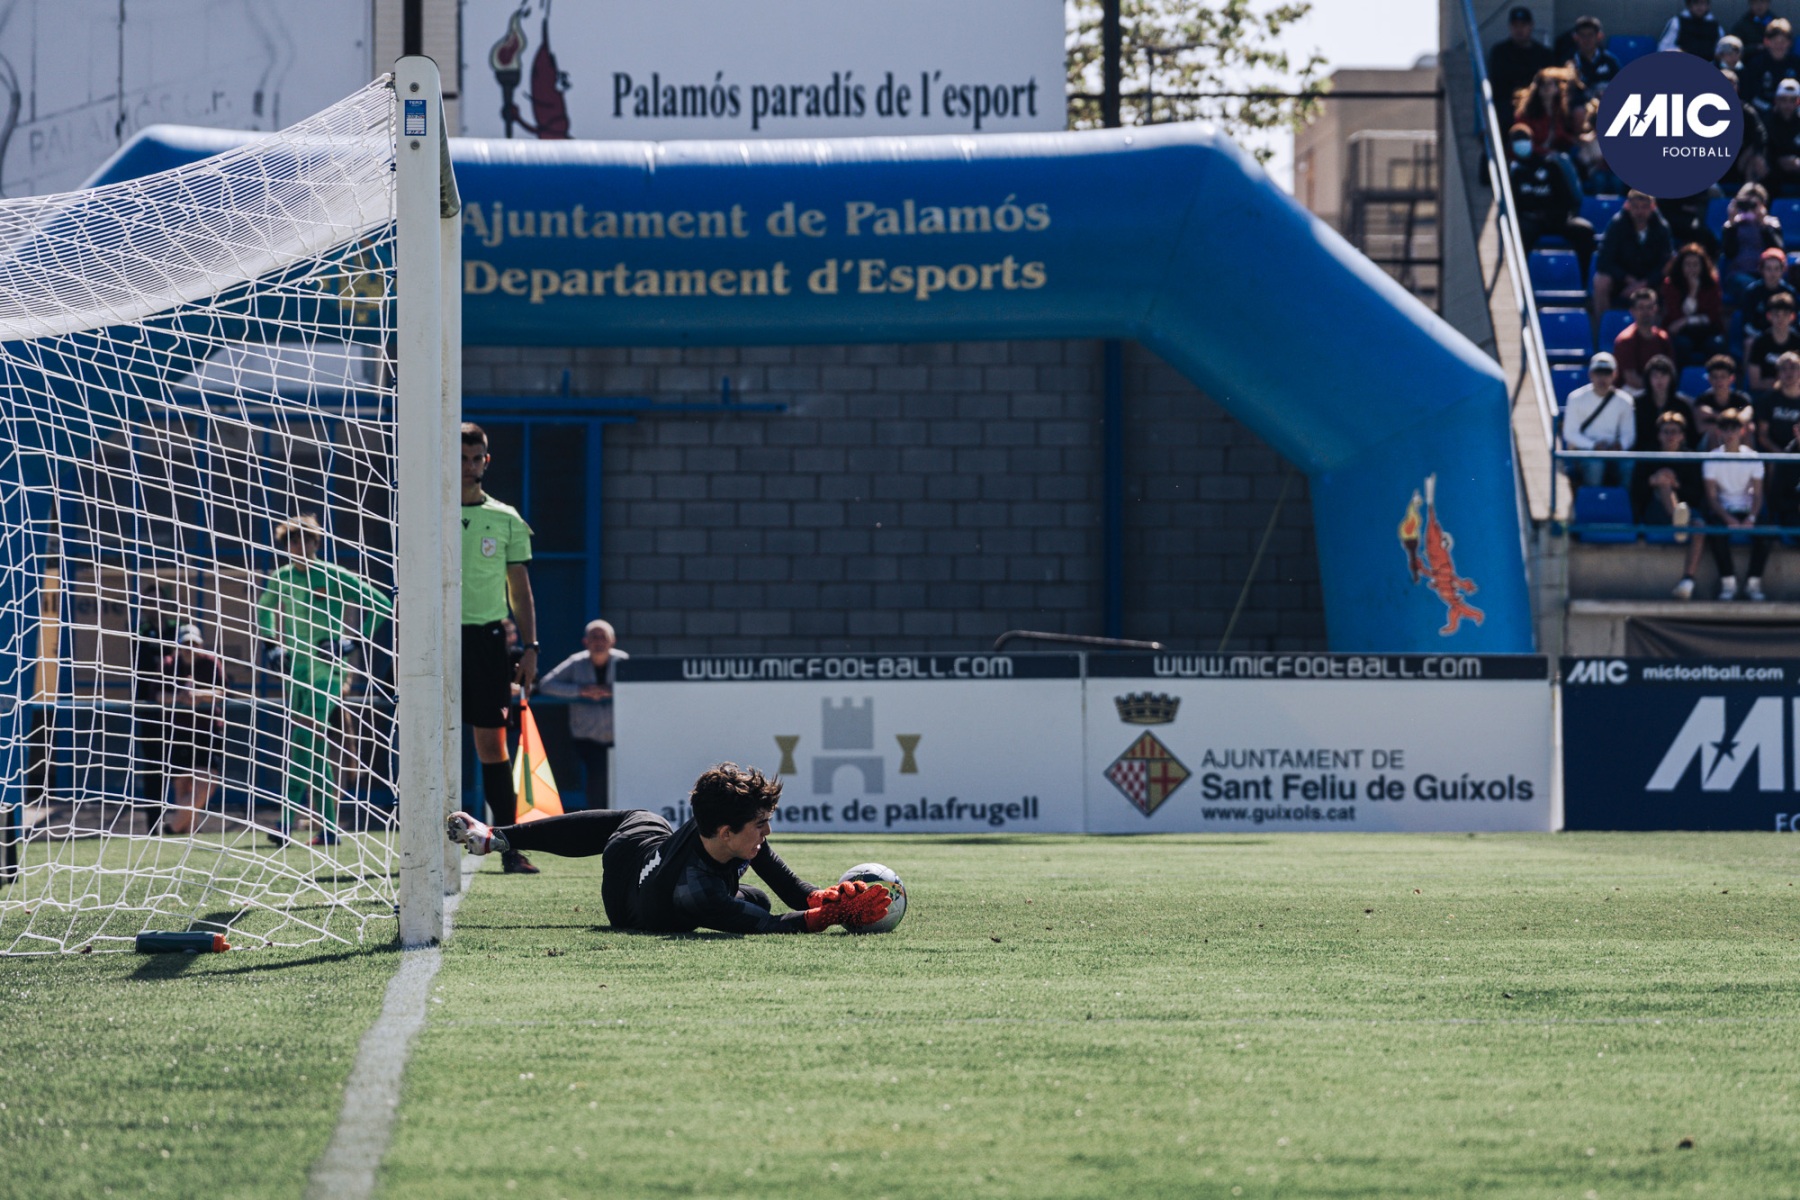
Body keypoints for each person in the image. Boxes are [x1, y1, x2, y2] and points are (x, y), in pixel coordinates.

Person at [444, 762, 891, 935]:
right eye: (760, 824)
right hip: (627, 884)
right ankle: (499, 836)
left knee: (755, 894)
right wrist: (826, 917)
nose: (767, 832)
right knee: (752, 907)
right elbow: (771, 926)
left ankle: (495, 837)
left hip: (654, 846)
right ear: (725, 832)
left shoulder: (730, 834)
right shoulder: (697, 891)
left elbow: (789, 887)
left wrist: (822, 896)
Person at [257, 514, 393, 846]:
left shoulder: (333, 575)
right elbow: (264, 609)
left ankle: (288, 821)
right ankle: (325, 828)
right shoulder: (282, 577)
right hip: (297, 672)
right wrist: (271, 645)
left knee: (305, 739)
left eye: (306, 539)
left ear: (316, 542)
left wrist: (351, 642)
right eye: (293, 540)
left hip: (328, 673)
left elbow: (381, 604)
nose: (299, 545)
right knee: (309, 746)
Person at [460, 421, 541, 874]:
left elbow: (520, 590)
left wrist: (530, 647)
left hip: (488, 641)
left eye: (476, 458)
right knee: (425, 738)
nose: (469, 466)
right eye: (461, 458)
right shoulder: (426, 513)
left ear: (486, 461)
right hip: (436, 640)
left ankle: (510, 848)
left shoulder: (506, 518)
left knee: (493, 745)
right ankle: (417, 844)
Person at [537, 619, 629, 811]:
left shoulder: (622, 661)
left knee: (619, 780)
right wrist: (581, 691)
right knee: (594, 781)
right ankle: (595, 817)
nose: (599, 641)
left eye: (603, 637)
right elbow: (546, 685)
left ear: (612, 641)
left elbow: (637, 688)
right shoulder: (576, 662)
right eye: (594, 637)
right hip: (586, 736)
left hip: (620, 737)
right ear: (585, 641)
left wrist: (611, 691)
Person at [156, 624, 226, 836]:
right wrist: (180, 697)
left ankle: (173, 827)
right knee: (182, 784)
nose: (190, 648)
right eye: (185, 644)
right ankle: (189, 832)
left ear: (201, 645)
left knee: (207, 782)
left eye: (194, 644)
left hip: (207, 730)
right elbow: (159, 694)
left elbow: (221, 691)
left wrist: (199, 695)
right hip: (179, 730)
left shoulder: (211, 663)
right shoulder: (169, 664)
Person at [1703, 407, 1771, 600]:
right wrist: (1727, 518)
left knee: (1766, 534)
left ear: (1742, 431)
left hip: (1748, 511)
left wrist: (1751, 518)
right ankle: (1728, 584)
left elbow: (1758, 495)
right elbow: (1712, 498)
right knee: (1716, 532)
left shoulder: (1753, 457)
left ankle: (1753, 584)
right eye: (1725, 428)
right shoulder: (1711, 459)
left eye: (1733, 428)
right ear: (1719, 432)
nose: (1729, 433)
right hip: (1723, 511)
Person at [1509, 124, 1595, 275]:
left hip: (1556, 219)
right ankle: (1521, 277)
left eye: (1525, 139)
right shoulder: (1512, 170)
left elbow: (1567, 198)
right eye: (1517, 140)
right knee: (1520, 234)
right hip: (1529, 221)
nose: (1522, 144)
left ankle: (1584, 278)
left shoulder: (1549, 165)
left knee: (1585, 231)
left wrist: (1552, 214)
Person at [1642, 413, 1709, 600]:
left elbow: (1697, 494)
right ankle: (1677, 520)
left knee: (1699, 526)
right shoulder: (1647, 455)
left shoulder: (1691, 458)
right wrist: (1653, 480)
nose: (1670, 436)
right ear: (1659, 435)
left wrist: (1676, 484)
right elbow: (1637, 492)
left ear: (1682, 436)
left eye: (1674, 431)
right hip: (1655, 510)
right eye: (1666, 431)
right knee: (1664, 482)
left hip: (1686, 509)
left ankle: (1688, 580)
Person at [1594, 192, 1674, 318]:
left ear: (1653, 207)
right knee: (1601, 281)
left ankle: (1664, 326)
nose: (1640, 212)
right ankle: (1604, 323)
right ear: (1627, 206)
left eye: (1644, 207)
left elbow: (1665, 263)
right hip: (1621, 282)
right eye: (1635, 207)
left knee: (1670, 282)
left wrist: (1644, 283)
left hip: (1650, 281)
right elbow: (1604, 261)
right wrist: (1627, 278)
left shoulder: (1662, 228)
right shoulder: (1617, 225)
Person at [1562, 350, 1635, 488]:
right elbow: (1570, 433)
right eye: (1598, 373)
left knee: (1628, 465)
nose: (1602, 378)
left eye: (1607, 373)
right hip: (1585, 452)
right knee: (1596, 465)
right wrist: (1593, 446)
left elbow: (1628, 434)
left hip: (1614, 453)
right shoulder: (1575, 398)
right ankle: (1593, 499)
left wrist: (1620, 445)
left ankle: (1624, 500)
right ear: (1590, 374)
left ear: (1614, 374)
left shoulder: (1625, 401)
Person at [1490, 7, 1556, 133]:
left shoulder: (1544, 54)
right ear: (1510, 27)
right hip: (1510, 104)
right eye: (1515, 25)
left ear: (1531, 26)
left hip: (1537, 101)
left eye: (1523, 25)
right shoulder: (1500, 52)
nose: (1519, 29)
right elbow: (1500, 85)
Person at [1660, 243, 1728, 366]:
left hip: (1707, 331)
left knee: (1716, 344)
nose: (1692, 269)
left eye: (1695, 264)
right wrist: (1692, 292)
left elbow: (1712, 315)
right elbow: (1675, 316)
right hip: (1682, 333)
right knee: (1682, 345)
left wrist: (1687, 321)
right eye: (1688, 264)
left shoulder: (1712, 283)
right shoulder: (1671, 285)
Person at [1613, 288, 1676, 390]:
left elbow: (1669, 370)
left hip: (1658, 389)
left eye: (1649, 307)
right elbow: (1631, 378)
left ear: (1655, 309)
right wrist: (1653, 391)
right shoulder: (1625, 340)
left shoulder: (1663, 338)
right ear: (1632, 311)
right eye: (1641, 308)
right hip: (1630, 390)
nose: (1646, 312)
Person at [1634, 354, 1701, 452]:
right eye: (1655, 376)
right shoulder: (1638, 404)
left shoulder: (1682, 405)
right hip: (1644, 455)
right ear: (1648, 378)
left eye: (1663, 375)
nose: (1659, 380)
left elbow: (1691, 437)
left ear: (1671, 378)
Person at [1513, 66, 1580, 156]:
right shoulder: (1525, 113)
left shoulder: (1558, 110)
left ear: (1557, 88)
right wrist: (1547, 152)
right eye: (1542, 84)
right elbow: (1524, 146)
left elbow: (1560, 135)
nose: (1545, 87)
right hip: (1533, 156)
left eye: (1549, 84)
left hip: (1553, 152)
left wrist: (1578, 141)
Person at [1741, 19, 1800, 114]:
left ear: (1790, 42)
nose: (1779, 46)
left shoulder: (1796, 64)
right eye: (1775, 42)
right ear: (1766, 41)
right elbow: (1751, 95)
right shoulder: (1756, 64)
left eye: (1783, 42)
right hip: (1764, 113)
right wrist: (1770, 109)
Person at [1696, 353, 1753, 446]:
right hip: (1708, 445)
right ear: (1709, 378)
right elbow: (1700, 427)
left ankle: (1746, 456)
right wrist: (1729, 424)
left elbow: (1747, 415)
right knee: (1713, 431)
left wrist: (1722, 421)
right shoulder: (1702, 400)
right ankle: (1714, 456)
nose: (1719, 381)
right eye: (1715, 376)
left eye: (1723, 376)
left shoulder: (1742, 399)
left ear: (1731, 378)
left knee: (1748, 429)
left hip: (1737, 439)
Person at [1748, 291, 1800, 389]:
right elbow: (1754, 382)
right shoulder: (1760, 343)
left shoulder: (1798, 342)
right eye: (1776, 314)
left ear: (1792, 316)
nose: (1780, 319)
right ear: (1769, 316)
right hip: (1767, 393)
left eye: (1785, 314)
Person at [1565, 16, 1619, 102]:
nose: (1586, 40)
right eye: (1582, 35)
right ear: (1576, 37)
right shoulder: (1568, 61)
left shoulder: (1610, 61)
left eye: (1590, 35)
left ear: (1599, 36)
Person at [1765, 79, 1800, 197]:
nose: (1787, 105)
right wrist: (1778, 161)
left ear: (1798, 101)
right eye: (1784, 99)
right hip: (1774, 170)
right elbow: (1763, 147)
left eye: (1792, 100)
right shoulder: (1766, 121)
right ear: (1776, 100)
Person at [1659, 0, 1724, 58]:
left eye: (1703, 3)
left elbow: (1721, 50)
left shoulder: (1715, 26)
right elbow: (1663, 47)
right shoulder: (1677, 22)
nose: (1699, 6)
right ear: (1689, 5)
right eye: (1696, 2)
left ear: (1708, 5)